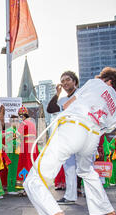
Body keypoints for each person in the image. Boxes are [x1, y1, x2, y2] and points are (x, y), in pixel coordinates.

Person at [24, 67, 116, 215]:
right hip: (92, 135)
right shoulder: (113, 104)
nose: (98, 78)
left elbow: (66, 104)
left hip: (74, 127)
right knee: (86, 170)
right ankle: (108, 211)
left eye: (102, 78)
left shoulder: (96, 83)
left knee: (33, 179)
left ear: (108, 81)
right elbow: (109, 127)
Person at [47, 71, 81, 204]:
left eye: (68, 79)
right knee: (69, 167)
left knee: (86, 168)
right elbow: (50, 109)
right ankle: (70, 196)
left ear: (75, 81)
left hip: (82, 136)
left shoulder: (82, 95)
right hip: (68, 137)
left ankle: (93, 197)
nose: (65, 83)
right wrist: (57, 93)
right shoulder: (62, 100)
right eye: (63, 81)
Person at [15, 105, 39, 194]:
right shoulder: (32, 123)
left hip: (26, 147)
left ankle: (26, 187)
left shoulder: (23, 123)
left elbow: (17, 134)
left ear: (22, 115)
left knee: (25, 165)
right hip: (34, 147)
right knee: (33, 165)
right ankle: (34, 186)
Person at [4, 115, 20, 195]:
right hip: (11, 152)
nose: (16, 122)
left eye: (17, 121)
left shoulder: (17, 130)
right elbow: (9, 142)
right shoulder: (9, 130)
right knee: (11, 170)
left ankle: (14, 187)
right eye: (14, 121)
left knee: (15, 170)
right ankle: (11, 188)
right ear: (10, 122)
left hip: (17, 153)